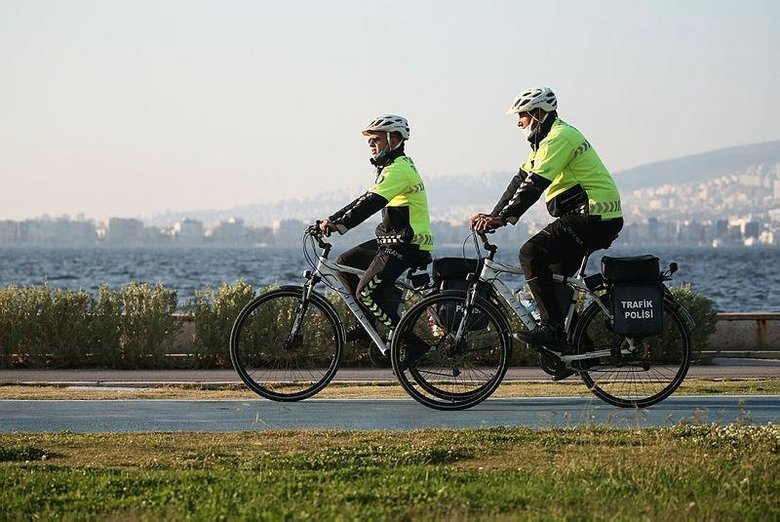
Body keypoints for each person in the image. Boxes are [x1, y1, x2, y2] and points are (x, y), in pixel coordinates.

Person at [471, 87, 623, 368]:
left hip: (593, 216)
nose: (519, 123)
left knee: (530, 252)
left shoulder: (559, 138)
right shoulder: (545, 142)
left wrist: (503, 219)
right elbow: (520, 180)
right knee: (555, 283)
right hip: (588, 217)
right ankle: (578, 351)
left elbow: (534, 186)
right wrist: (494, 214)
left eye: (523, 117)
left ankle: (552, 330)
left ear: (539, 114)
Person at [318, 114, 434, 362]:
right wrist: (332, 219)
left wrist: (339, 225)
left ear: (394, 139)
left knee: (365, 294)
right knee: (345, 263)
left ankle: (411, 343)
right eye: (369, 141)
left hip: (408, 244)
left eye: (376, 139)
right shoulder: (391, 169)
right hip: (392, 240)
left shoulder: (399, 169)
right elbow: (363, 198)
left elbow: (370, 204)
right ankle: (367, 323)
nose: (371, 145)